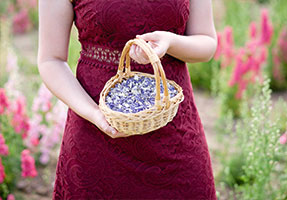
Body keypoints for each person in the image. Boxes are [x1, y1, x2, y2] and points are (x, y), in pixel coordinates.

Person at [38, 0, 218, 199]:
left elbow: (206, 42)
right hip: (96, 137)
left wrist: (171, 42)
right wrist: (95, 114)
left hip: (174, 133)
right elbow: (51, 60)